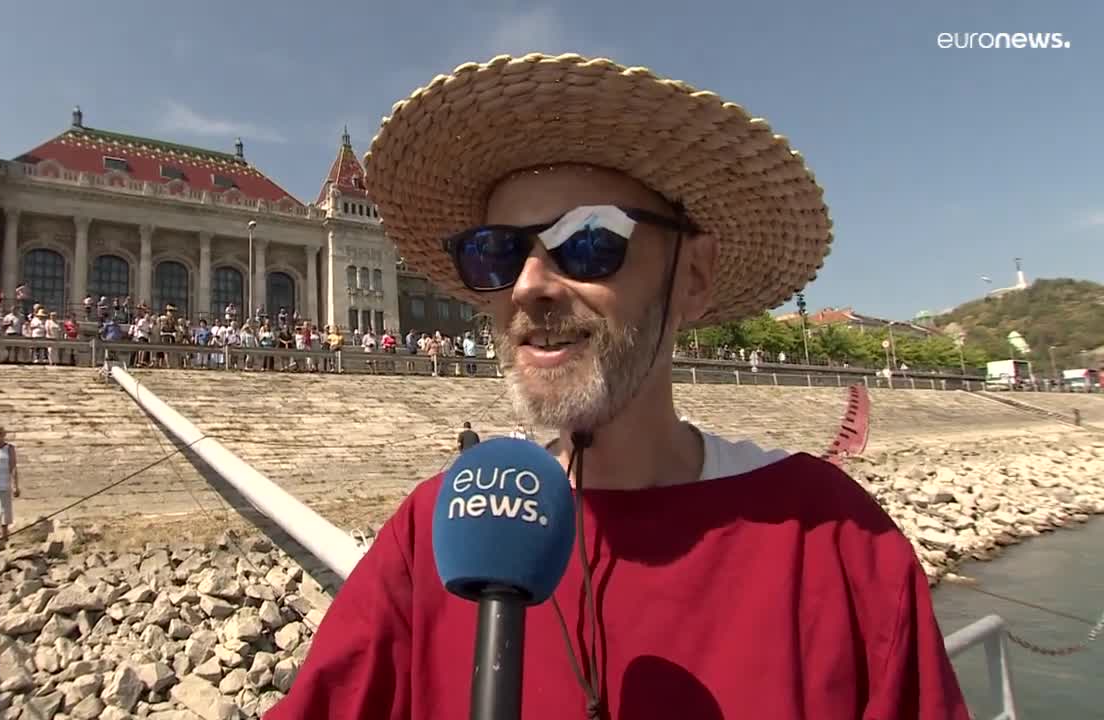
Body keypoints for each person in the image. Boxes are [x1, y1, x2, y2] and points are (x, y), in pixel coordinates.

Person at [265, 54, 968, 719]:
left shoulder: (834, 540)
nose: (531, 285)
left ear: (691, 277)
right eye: (497, 252)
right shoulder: (434, 532)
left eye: (589, 241)